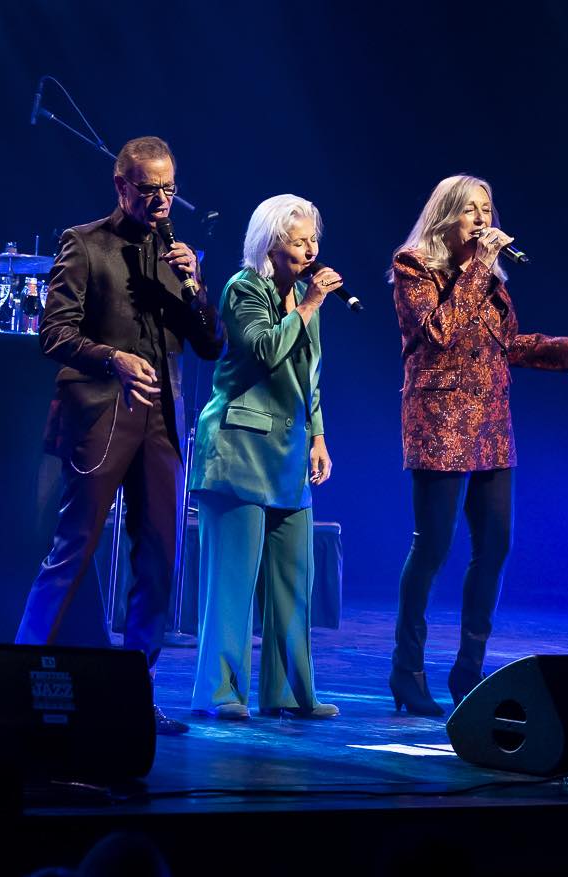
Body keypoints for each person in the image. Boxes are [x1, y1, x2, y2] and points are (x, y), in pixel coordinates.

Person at [388, 174, 568, 716]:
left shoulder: (489, 279)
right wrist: (478, 266)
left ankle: (469, 671)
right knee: (432, 548)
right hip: (441, 425)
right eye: (470, 209)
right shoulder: (413, 267)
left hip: (491, 427)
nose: (482, 219)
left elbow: (504, 344)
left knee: (495, 546)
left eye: (487, 209)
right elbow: (441, 332)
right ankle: (407, 670)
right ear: (445, 216)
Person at [15, 136, 224, 735]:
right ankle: (20, 678)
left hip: (162, 420)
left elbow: (210, 344)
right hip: (103, 413)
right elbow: (53, 333)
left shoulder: (177, 256)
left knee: (159, 556)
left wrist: (194, 288)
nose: (161, 201)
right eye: (148, 189)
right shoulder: (85, 243)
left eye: (169, 190)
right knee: (74, 548)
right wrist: (113, 358)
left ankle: (135, 692)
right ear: (121, 185)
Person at [189, 194, 339, 720]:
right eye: (300, 242)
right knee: (231, 583)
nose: (311, 250)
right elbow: (264, 350)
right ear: (271, 244)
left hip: (289, 452)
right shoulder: (243, 288)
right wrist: (308, 307)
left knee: (294, 582)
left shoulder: (302, 297)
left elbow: (309, 375)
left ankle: (290, 693)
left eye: (313, 240)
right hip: (239, 450)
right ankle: (220, 693)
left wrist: (318, 436)